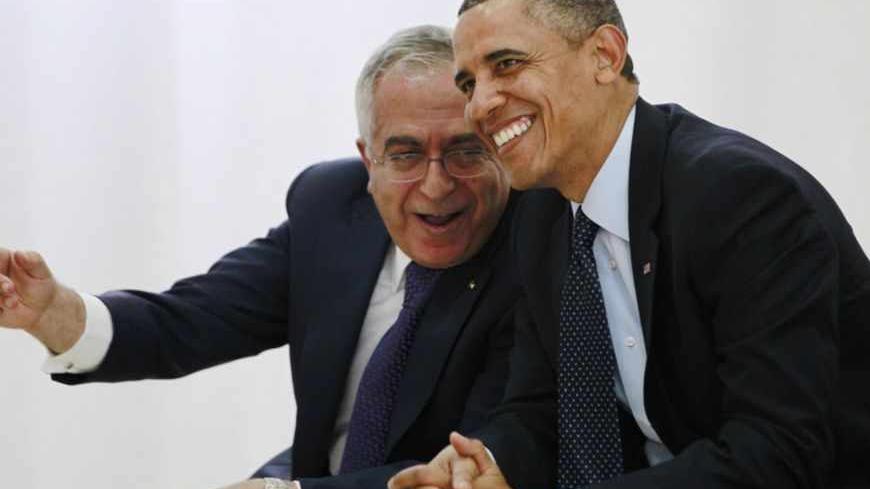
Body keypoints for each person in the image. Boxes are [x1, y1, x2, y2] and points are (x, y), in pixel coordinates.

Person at [0, 25, 519, 489]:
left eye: (465, 151)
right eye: (405, 155)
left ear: (497, 146)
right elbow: (189, 321)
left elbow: (477, 461)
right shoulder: (330, 207)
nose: (436, 184)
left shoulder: (536, 249)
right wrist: (55, 313)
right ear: (368, 160)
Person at [389, 1, 870, 488]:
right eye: (469, 83)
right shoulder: (540, 213)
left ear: (605, 54)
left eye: (507, 64)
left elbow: (776, 453)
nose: (480, 106)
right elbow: (543, 410)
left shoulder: (738, 197)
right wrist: (491, 463)